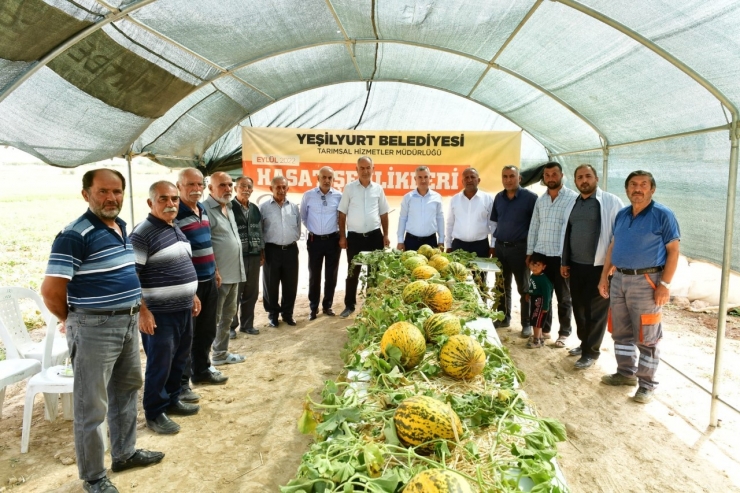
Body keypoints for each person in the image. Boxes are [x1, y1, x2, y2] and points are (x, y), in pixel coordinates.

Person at [41, 168, 163, 493]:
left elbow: (126, 275)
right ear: (86, 194)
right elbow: (51, 291)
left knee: (125, 391)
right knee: (91, 406)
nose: (111, 198)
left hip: (126, 322)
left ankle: (125, 453)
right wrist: (76, 319)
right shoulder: (74, 235)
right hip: (93, 326)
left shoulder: (121, 227)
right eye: (103, 192)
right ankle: (94, 477)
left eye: (117, 192)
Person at [598, 170, 680, 404]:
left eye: (644, 184)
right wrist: (605, 276)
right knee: (621, 331)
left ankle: (647, 384)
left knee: (647, 335)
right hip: (620, 279)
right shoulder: (623, 215)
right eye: (633, 184)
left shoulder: (663, 215)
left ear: (652, 189)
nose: (638, 188)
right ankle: (625, 373)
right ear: (626, 189)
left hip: (647, 281)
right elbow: (614, 246)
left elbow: (673, 250)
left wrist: (664, 284)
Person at [131, 181, 201, 436]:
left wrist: (191, 295)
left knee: (179, 359)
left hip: (183, 308)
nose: (171, 203)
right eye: (163, 199)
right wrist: (143, 311)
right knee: (160, 363)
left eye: (174, 198)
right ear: (151, 203)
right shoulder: (143, 233)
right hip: (159, 313)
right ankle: (154, 412)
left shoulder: (175, 229)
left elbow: (181, 265)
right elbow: (131, 276)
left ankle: (171, 400)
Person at [560, 165, 623, 369]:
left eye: (588, 176)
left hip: (600, 268)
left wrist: (611, 266)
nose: (584, 180)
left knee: (595, 311)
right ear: (575, 181)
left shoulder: (610, 202)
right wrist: (565, 262)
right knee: (578, 307)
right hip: (576, 266)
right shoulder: (573, 203)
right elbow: (566, 234)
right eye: (580, 177)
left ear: (596, 178)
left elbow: (618, 236)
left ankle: (591, 352)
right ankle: (584, 343)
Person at [176, 168, 228, 393]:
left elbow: (207, 242)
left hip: (208, 280)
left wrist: (215, 269)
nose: (196, 189)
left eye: (199, 184)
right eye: (190, 185)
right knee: (187, 335)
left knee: (207, 331)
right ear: (179, 186)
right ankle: (182, 383)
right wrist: (190, 288)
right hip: (190, 284)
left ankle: (202, 371)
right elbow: (178, 253)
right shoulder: (174, 213)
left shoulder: (202, 210)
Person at [526, 161, 578, 348]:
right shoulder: (541, 200)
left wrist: (571, 256)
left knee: (564, 297)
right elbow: (534, 227)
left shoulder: (572, 198)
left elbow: (574, 229)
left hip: (561, 256)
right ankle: (544, 331)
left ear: (561, 175)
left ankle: (564, 333)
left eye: (554, 174)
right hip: (541, 256)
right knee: (541, 296)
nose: (550, 178)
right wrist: (530, 253)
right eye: (547, 176)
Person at [338, 156, 391, 318]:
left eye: (368, 168)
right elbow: (342, 214)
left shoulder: (378, 189)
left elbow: (383, 213)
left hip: (375, 236)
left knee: (374, 272)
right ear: (357, 170)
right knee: (353, 271)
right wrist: (342, 236)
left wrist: (386, 234)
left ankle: (371, 304)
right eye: (362, 168)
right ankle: (349, 305)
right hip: (354, 237)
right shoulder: (349, 188)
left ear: (373, 169)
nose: (365, 171)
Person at [490, 165, 538, 337]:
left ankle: (526, 323)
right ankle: (504, 318)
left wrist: (531, 252)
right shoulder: (498, 198)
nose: (508, 179)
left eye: (512, 176)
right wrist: (494, 246)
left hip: (521, 249)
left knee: (524, 288)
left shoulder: (531, 198)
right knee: (501, 285)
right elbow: (495, 223)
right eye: (505, 176)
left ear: (520, 178)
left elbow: (536, 226)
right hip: (501, 248)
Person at [204, 172, 246, 365]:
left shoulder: (228, 207)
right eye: (222, 185)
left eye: (230, 185)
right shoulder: (204, 210)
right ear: (210, 188)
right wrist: (215, 270)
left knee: (227, 318)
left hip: (234, 273)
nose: (228, 189)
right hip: (218, 276)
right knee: (211, 320)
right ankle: (203, 363)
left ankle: (220, 354)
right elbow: (204, 245)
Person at [300, 167, 342, 320]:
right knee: (314, 275)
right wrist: (314, 229)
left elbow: (342, 218)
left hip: (333, 241)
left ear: (333, 179)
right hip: (315, 241)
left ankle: (327, 305)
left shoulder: (339, 196)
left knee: (331, 275)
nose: (327, 180)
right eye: (324, 177)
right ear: (317, 178)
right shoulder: (308, 196)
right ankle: (313, 308)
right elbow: (303, 217)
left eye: (330, 178)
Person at [260, 175, 301, 327]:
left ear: (287, 188)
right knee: (271, 284)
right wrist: (262, 251)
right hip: (272, 250)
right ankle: (273, 315)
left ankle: (287, 314)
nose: (281, 190)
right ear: (271, 189)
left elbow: (297, 227)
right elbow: (260, 230)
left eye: (284, 187)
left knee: (290, 284)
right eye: (278, 187)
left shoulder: (294, 207)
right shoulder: (264, 207)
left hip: (291, 250)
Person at [445, 167, 495, 286]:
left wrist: (493, 245)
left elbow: (493, 224)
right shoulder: (455, 199)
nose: (469, 180)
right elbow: (450, 223)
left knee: (480, 281)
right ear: (462, 181)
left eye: (472, 177)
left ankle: (482, 303)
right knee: (458, 281)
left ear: (479, 180)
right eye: (466, 177)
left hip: (480, 247)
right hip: (458, 246)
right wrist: (448, 244)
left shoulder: (487, 199)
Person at [230, 176, 263, 336]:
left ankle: (247, 324)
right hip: (236, 257)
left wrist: (262, 252)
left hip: (254, 256)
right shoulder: (228, 207)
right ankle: (230, 327)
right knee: (235, 293)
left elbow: (260, 231)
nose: (246, 189)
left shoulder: (255, 209)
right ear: (236, 188)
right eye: (243, 186)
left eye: (249, 187)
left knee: (252, 292)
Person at [396, 166, 445, 252]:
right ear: (415, 179)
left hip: (431, 241)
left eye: (426, 177)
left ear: (430, 178)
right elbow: (403, 218)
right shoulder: (408, 198)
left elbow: (440, 218)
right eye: (420, 177)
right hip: (411, 241)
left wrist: (441, 240)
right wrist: (400, 240)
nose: (423, 180)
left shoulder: (437, 197)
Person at [525, 253, 553, 349]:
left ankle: (536, 340)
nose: (534, 267)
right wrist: (529, 293)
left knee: (537, 321)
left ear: (543, 267)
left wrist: (545, 307)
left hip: (540, 302)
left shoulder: (543, 280)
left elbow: (547, 295)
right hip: (534, 300)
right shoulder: (533, 276)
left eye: (538, 265)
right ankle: (540, 339)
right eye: (533, 264)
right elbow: (533, 287)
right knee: (535, 320)